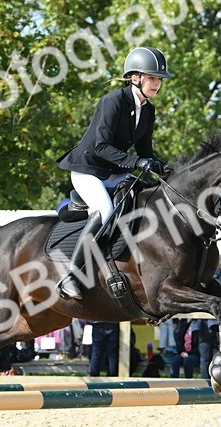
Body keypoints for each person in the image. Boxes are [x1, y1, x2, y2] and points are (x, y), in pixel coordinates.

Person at [55, 46, 174, 299]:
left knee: (143, 197)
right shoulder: (113, 101)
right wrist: (138, 162)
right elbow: (101, 146)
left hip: (112, 171)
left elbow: (145, 150)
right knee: (106, 211)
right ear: (135, 78)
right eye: (152, 78)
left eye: (159, 79)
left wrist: (166, 168)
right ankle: (71, 274)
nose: (157, 84)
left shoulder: (148, 110)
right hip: (88, 168)